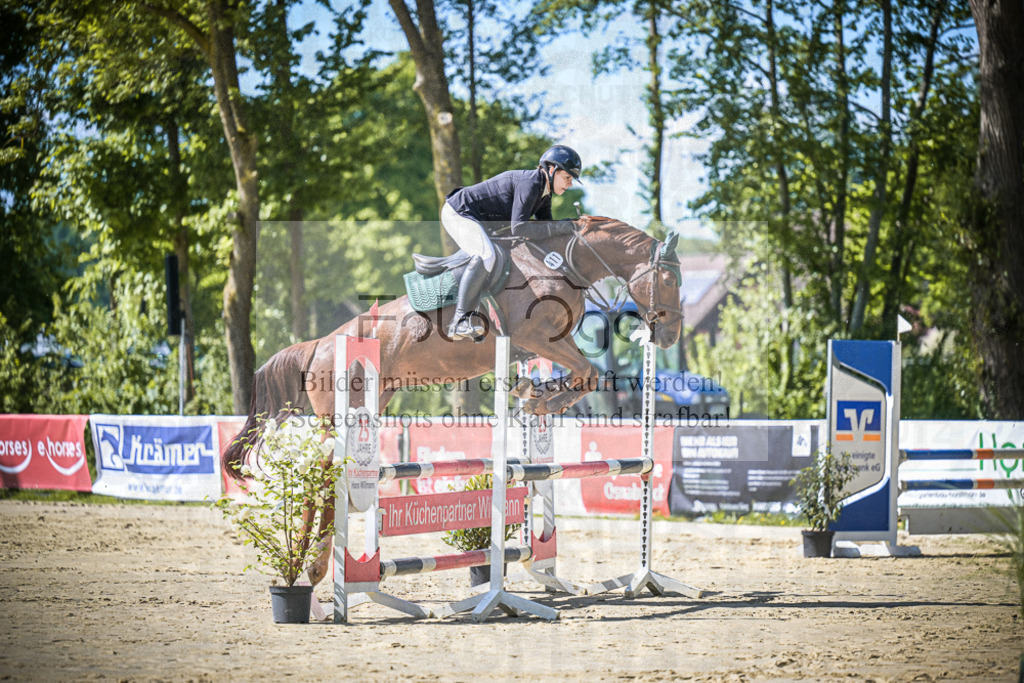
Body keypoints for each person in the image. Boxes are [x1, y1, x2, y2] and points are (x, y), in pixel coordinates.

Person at [442, 144, 583, 341]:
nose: (570, 184)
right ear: (551, 170)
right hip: (459, 213)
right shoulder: (530, 183)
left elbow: (546, 229)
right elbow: (519, 228)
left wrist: (570, 229)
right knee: (487, 256)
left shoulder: (543, 193)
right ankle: (459, 320)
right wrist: (558, 228)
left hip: (478, 221)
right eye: (567, 177)